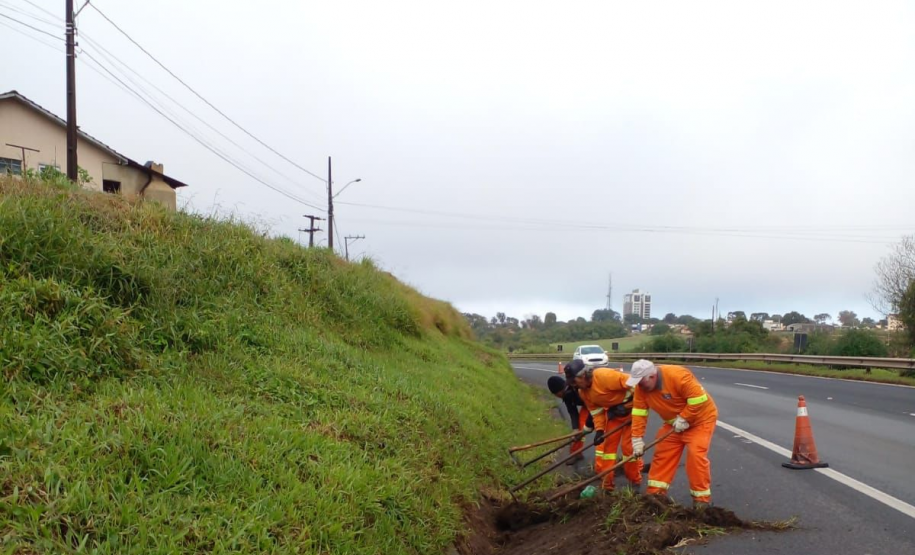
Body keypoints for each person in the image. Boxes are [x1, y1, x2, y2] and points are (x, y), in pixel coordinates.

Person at [627, 359, 718, 508]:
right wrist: (637, 439)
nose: (639, 386)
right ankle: (655, 496)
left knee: (696, 455)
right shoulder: (641, 388)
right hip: (673, 425)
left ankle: (701, 500)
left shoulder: (677, 375)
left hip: (700, 421)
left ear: (652, 376)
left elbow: (699, 399)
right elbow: (639, 413)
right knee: (662, 455)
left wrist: (684, 417)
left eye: (641, 382)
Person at [570, 364, 642, 492]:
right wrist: (599, 431)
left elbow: (639, 387)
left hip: (633, 412)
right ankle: (607, 485)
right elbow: (596, 413)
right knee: (608, 450)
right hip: (615, 415)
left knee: (628, 448)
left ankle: (634, 481)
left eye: (574, 381)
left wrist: (627, 406)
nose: (573, 385)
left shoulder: (604, 376)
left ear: (582, 376)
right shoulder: (583, 392)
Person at [547, 374, 592, 463]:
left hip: (599, 402)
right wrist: (575, 429)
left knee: (604, 430)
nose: (556, 396)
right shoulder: (566, 396)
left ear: (558, 392)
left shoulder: (575, 388)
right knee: (580, 429)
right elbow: (573, 412)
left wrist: (591, 422)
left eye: (555, 394)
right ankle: (576, 453)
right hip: (588, 406)